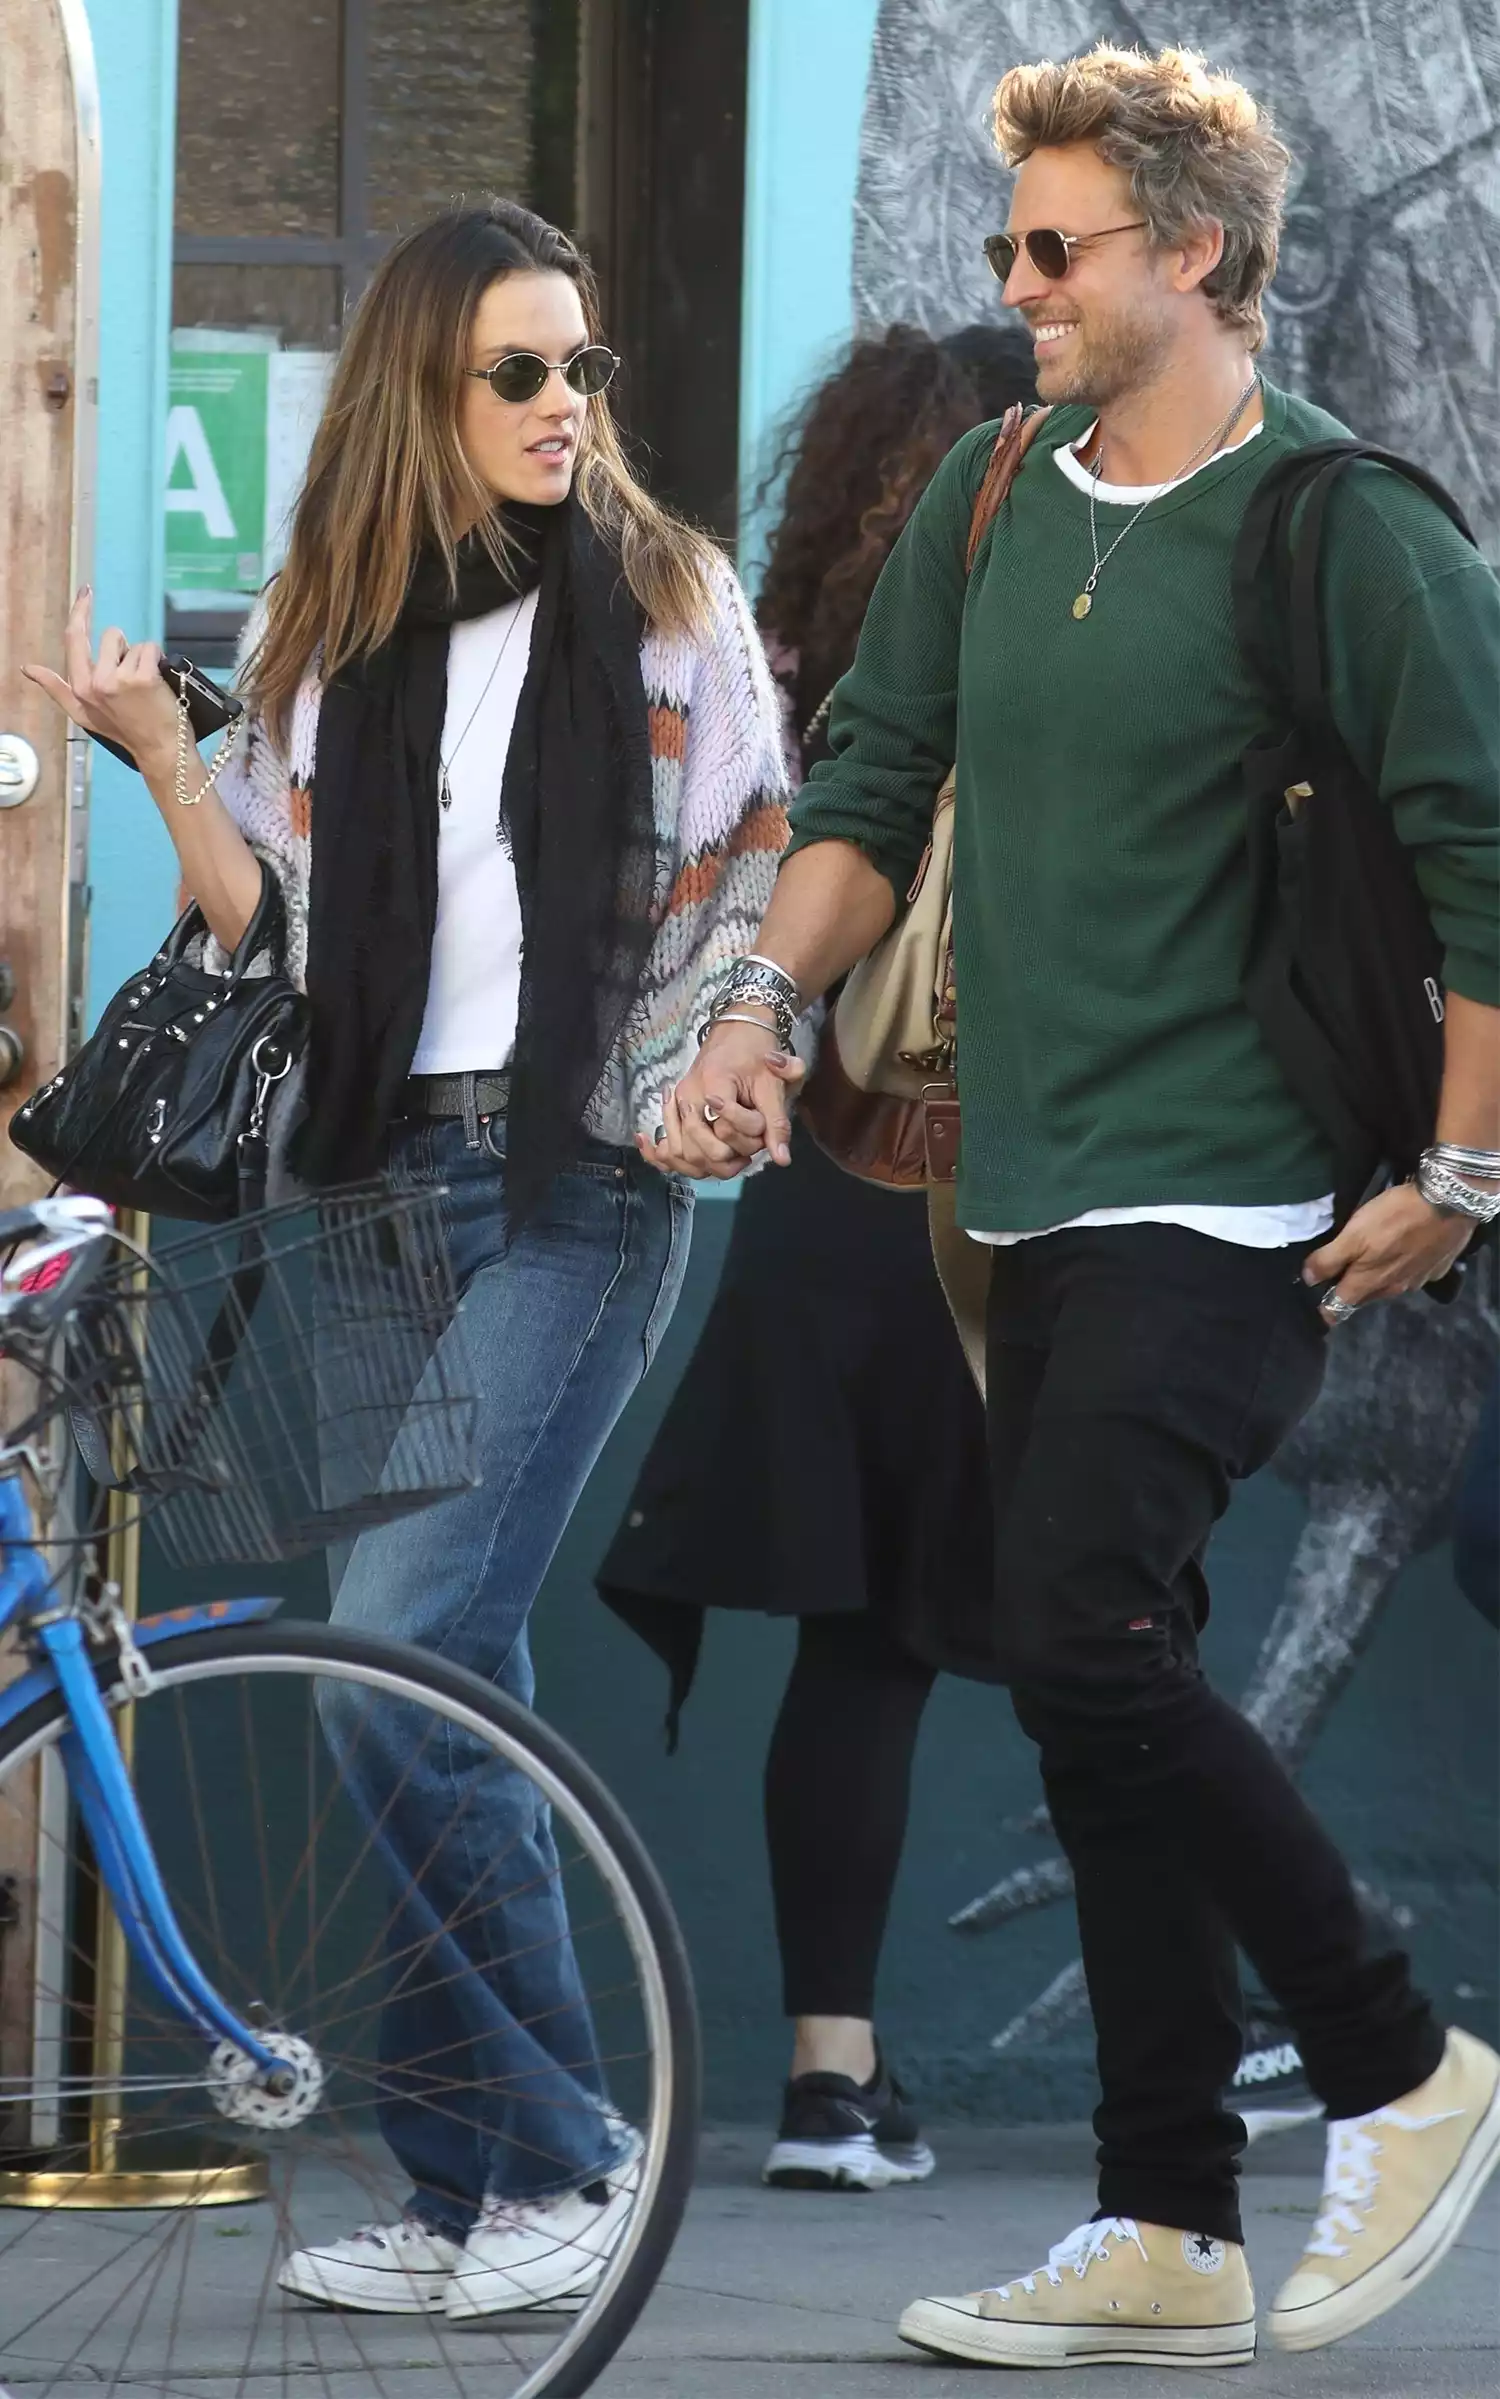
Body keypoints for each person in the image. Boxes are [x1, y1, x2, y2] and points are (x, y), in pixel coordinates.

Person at [648, 42, 1500, 2373]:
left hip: (1235, 1194)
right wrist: (756, 1009)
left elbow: (1483, 850)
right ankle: (1168, 2219)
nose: (1012, 281)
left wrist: (1464, 1165)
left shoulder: (1342, 524)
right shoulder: (998, 491)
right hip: (1016, 1190)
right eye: (1005, 241)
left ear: (1195, 252)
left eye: (1054, 246)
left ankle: (1398, 2059)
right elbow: (874, 777)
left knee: (1084, 1634)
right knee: (1098, 1679)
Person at [25, 200, 788, 2320]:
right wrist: (164, 758)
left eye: (583, 369)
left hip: (578, 1173)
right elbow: (266, 925)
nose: (564, 407)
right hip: (366, 1183)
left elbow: (754, 861)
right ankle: (473, 2190)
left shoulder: (666, 600)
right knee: (445, 1683)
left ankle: (570, 2154)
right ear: (418, 395)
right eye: (517, 373)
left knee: (399, 1643)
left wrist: (730, 1053)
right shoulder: (329, 627)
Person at [598, 323, 1036, 2195]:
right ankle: (1225, 2022)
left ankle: (829, 2080)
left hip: (819, 1191)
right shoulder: (1040, 650)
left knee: (862, 1648)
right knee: (1117, 1621)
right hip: (1008, 1188)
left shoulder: (787, 666)